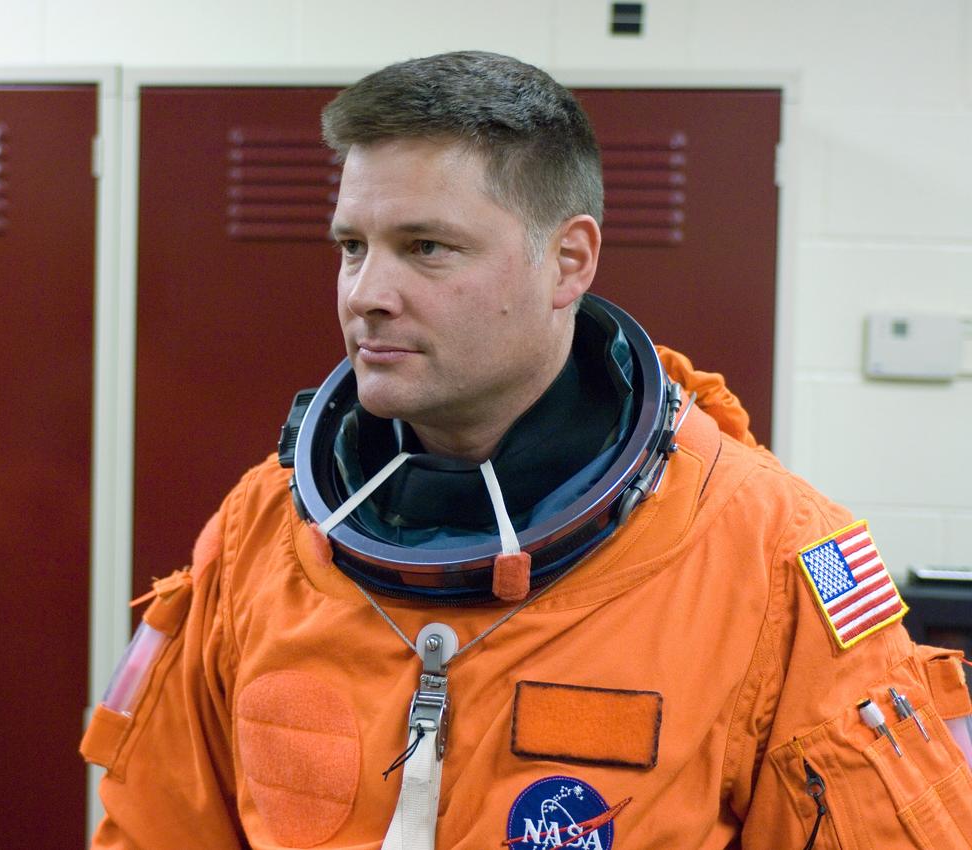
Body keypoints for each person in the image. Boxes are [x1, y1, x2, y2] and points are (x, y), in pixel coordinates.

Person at [82, 51, 972, 848]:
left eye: (426, 247)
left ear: (569, 261)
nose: (367, 293)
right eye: (353, 247)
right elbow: (157, 824)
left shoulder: (774, 552)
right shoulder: (263, 529)